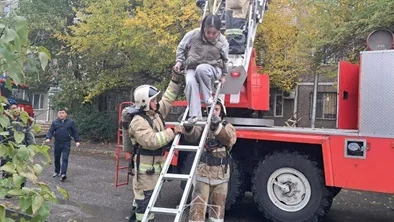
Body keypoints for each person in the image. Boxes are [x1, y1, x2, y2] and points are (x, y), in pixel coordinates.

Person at [127, 72, 184, 222]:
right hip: (145, 171)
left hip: (153, 168)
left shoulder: (155, 114)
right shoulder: (138, 121)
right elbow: (151, 141)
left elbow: (168, 99)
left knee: (142, 199)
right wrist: (171, 131)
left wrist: (175, 80)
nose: (157, 102)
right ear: (145, 102)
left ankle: (134, 218)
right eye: (154, 100)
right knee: (145, 202)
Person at [177, 98, 236, 222]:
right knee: (197, 211)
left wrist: (217, 128)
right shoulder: (203, 125)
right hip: (203, 173)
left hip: (220, 176)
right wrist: (188, 128)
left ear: (222, 112)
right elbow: (192, 137)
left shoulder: (228, 126)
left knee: (217, 212)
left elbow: (229, 140)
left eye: (217, 109)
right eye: (211, 109)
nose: (213, 112)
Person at [174, 14, 229, 124]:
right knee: (190, 82)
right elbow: (181, 47)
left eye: (214, 33)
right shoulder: (193, 35)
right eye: (208, 32)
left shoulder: (223, 42)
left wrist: (224, 75)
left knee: (202, 68)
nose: (210, 36)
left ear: (218, 31)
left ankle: (207, 98)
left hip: (213, 68)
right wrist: (179, 62)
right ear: (203, 28)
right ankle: (195, 115)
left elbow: (225, 59)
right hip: (192, 67)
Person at [45, 108, 80, 182]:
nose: (61, 114)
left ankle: (63, 174)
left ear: (66, 114)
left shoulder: (71, 122)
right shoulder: (55, 122)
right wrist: (48, 138)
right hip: (57, 142)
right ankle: (57, 171)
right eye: (60, 113)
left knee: (65, 158)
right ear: (58, 114)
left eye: (63, 113)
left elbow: (75, 132)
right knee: (57, 158)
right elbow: (51, 131)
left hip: (66, 143)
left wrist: (77, 141)